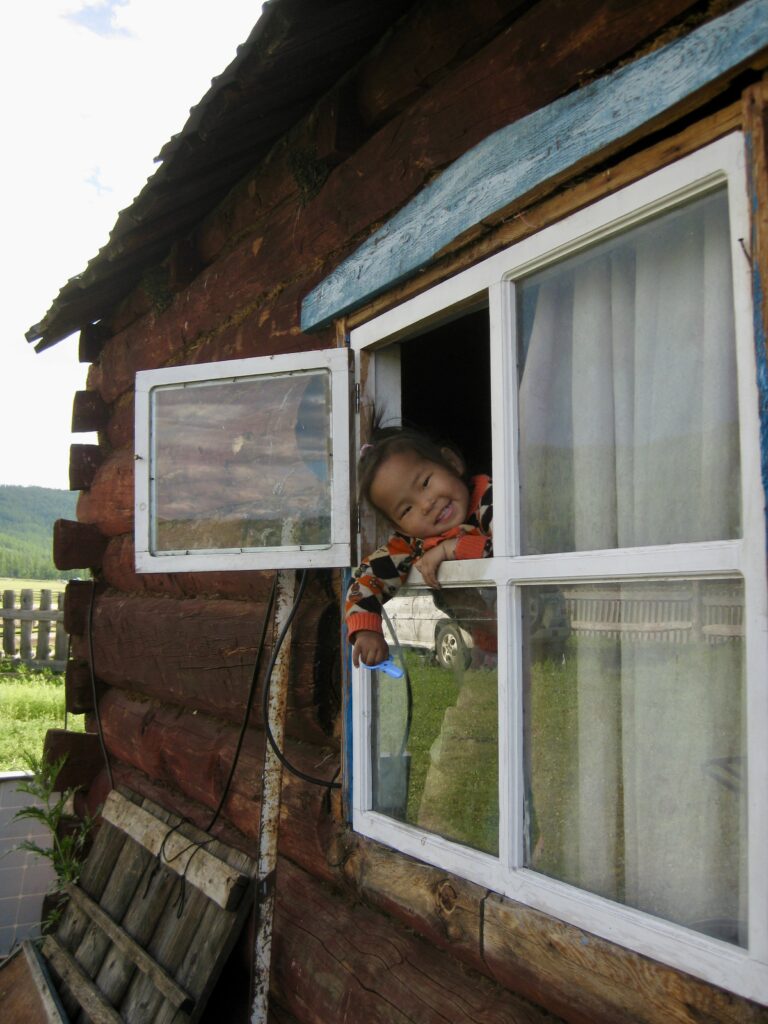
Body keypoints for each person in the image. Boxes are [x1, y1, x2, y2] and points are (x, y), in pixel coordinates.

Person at [345, 424, 493, 668]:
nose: (426, 504)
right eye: (406, 509)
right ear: (400, 528)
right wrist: (366, 629)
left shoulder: (487, 499)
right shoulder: (412, 544)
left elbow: (510, 549)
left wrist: (449, 549)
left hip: (531, 623)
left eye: (425, 483)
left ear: (451, 463)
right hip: (482, 645)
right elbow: (365, 580)